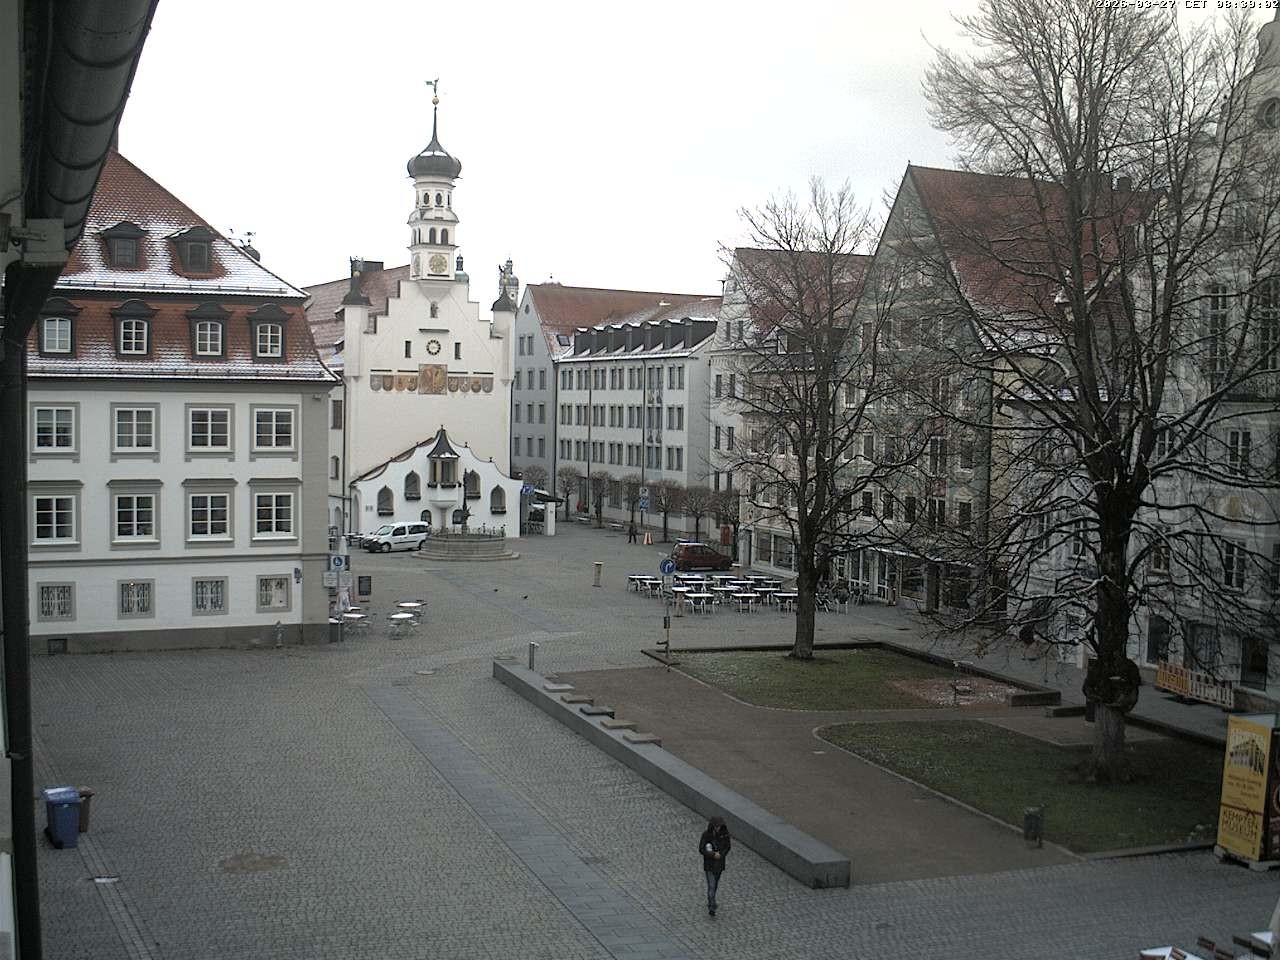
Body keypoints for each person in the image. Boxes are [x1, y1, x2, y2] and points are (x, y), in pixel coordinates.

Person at [699, 815, 731, 916]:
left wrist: (721, 855)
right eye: (716, 826)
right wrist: (713, 854)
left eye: (719, 826)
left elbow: (727, 847)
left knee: (715, 884)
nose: (718, 828)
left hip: (719, 864)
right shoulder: (706, 835)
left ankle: (711, 900)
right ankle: (711, 906)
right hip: (709, 864)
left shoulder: (725, 835)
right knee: (711, 885)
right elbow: (701, 849)